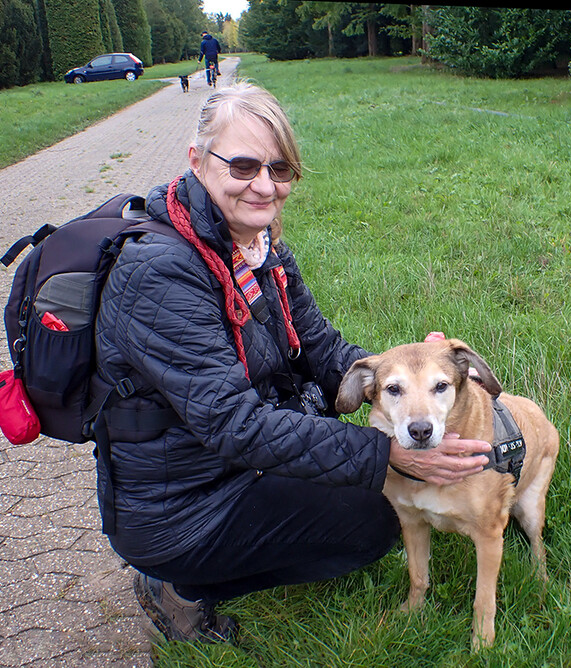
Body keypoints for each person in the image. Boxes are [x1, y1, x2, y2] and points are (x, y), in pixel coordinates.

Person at [91, 81, 493, 643]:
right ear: (197, 160)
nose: (264, 186)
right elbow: (234, 424)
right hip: (179, 503)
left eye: (279, 170)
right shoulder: (160, 273)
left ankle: (227, 554)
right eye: (244, 165)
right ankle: (179, 583)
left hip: (234, 466)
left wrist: (406, 373)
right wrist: (387, 454)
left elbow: (324, 349)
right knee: (373, 518)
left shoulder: (262, 251)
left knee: (371, 500)